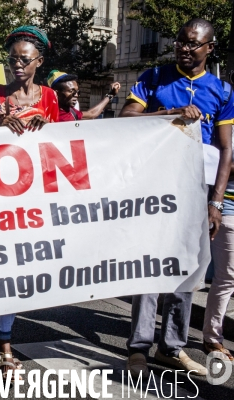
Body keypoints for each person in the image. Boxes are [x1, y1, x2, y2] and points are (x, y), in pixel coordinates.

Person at [119, 18, 234, 377]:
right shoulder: (154, 78)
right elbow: (125, 120)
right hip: (154, 190)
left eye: (193, 44)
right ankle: (138, 347)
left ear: (208, 48)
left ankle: (172, 347)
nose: (184, 49)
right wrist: (168, 113)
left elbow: (227, 151)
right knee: (149, 267)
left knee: (187, 271)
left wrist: (215, 202)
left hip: (197, 194)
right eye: (180, 42)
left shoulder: (223, 91)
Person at [0, 25, 59, 378]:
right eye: (13, 59)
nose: (17, 64)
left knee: (22, 273)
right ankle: (4, 344)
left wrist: (47, 122)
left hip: (33, 197)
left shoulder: (49, 96)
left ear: (39, 61)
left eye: (24, 59)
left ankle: (2, 336)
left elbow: (66, 139)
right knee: (5, 272)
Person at [47, 70, 121, 121]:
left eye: (77, 92)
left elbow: (92, 114)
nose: (76, 95)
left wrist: (111, 94)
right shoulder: (46, 113)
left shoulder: (71, 111)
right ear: (56, 93)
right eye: (71, 91)